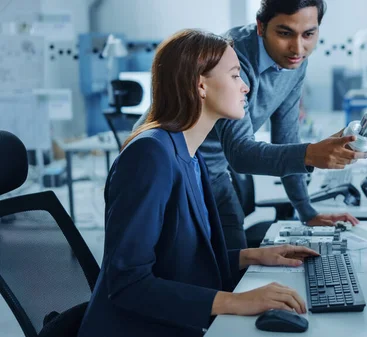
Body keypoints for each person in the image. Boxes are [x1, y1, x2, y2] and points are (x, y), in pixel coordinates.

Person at [77, 29, 319, 337]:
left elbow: (181, 262)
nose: (245, 87)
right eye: (235, 76)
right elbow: (128, 284)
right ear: (200, 84)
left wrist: (254, 256)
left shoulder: (191, 155)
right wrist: (236, 301)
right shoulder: (150, 155)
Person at [135, 0, 363, 251]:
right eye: (284, 33)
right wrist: (310, 153)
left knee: (233, 248)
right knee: (184, 260)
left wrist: (306, 211)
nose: (298, 47)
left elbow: (286, 138)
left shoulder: (295, 61)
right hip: (171, 165)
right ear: (260, 27)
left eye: (308, 34)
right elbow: (240, 153)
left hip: (213, 170)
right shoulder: (232, 56)